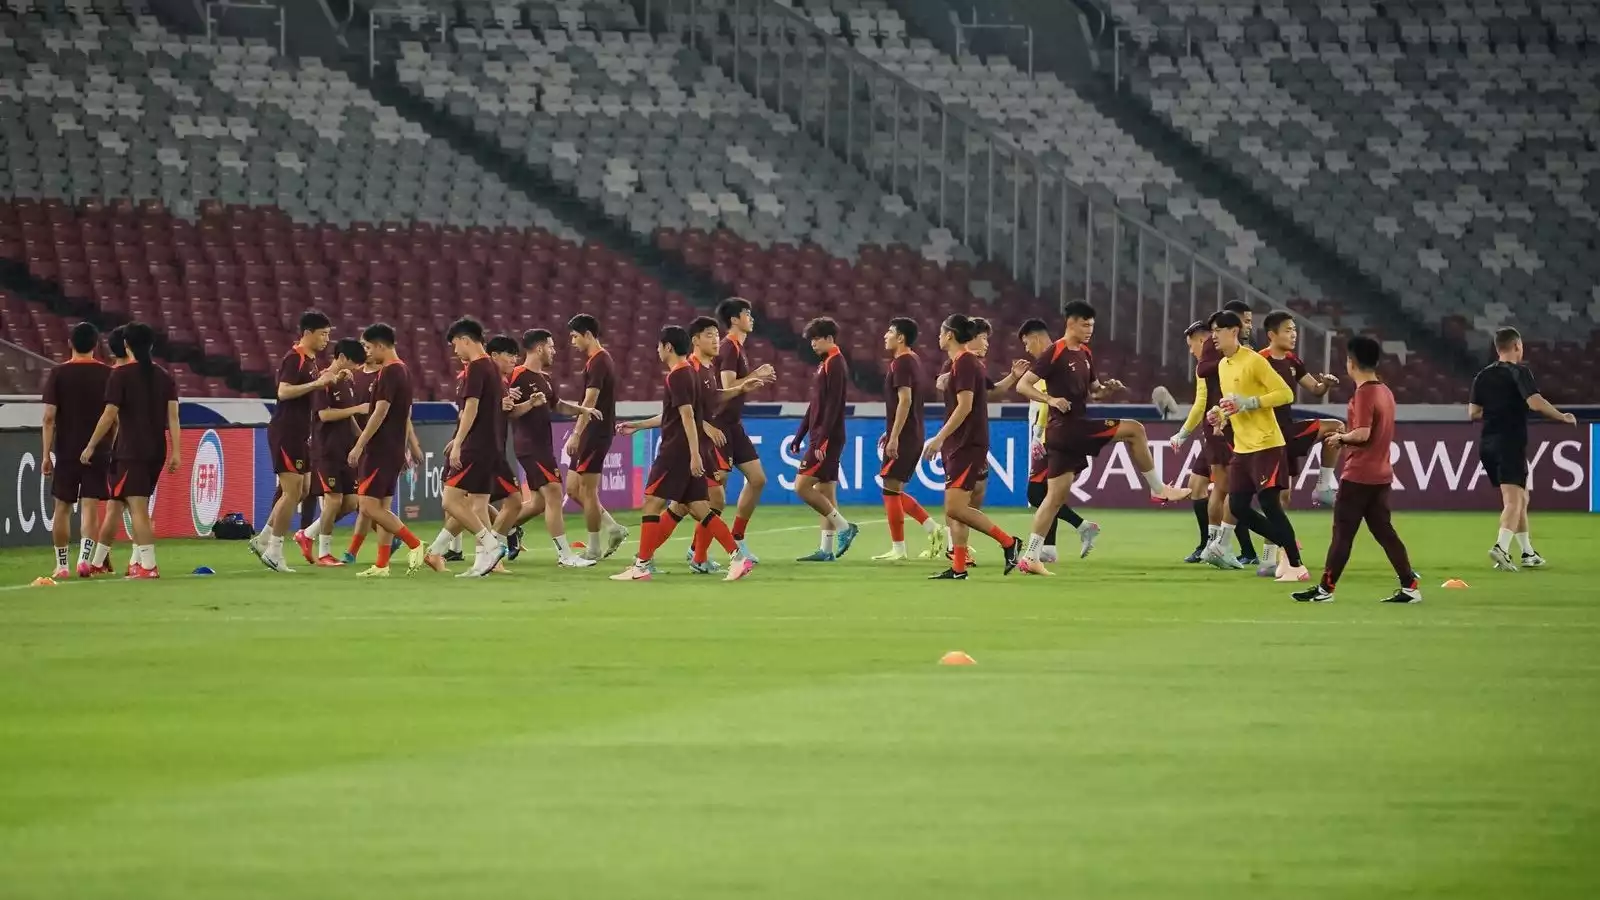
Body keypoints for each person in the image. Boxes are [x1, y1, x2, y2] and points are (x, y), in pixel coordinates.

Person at [1012, 303, 1188, 574]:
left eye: (1092, 326)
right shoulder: (1054, 351)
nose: (1089, 331)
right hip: (1069, 428)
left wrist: (1107, 390)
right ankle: (1157, 488)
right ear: (1070, 323)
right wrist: (1050, 399)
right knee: (1135, 429)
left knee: (1053, 498)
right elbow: (1022, 385)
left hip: (1065, 434)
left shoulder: (1085, 353)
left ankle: (1031, 557)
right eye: (1085, 325)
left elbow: (1093, 392)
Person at [611, 326, 753, 582]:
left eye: (658, 346)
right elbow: (678, 414)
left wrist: (694, 455)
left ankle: (641, 565)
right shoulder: (691, 374)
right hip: (688, 450)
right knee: (700, 508)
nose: (657, 350)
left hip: (676, 451)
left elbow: (688, 417)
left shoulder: (678, 375)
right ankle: (738, 558)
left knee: (652, 502)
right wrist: (639, 425)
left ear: (667, 347)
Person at [1293, 336, 1421, 603]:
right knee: (1385, 531)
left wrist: (1340, 438)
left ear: (1351, 363)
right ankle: (1410, 586)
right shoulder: (1385, 391)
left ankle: (1326, 590)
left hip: (1360, 474)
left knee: (1342, 533)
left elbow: (1362, 434)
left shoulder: (1364, 393)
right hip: (1381, 474)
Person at [1197, 310, 1308, 582]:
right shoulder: (1223, 365)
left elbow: (1285, 393)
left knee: (1270, 504)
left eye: (1217, 332)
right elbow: (1230, 404)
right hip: (1243, 447)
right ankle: (1288, 544)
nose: (1212, 338)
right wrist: (1219, 414)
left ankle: (1296, 565)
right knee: (1237, 507)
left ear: (1232, 332)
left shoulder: (1254, 361)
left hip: (1266, 444)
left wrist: (1250, 402)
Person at [921, 314, 1022, 579]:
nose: (938, 337)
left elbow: (965, 406)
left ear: (950, 335)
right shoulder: (962, 363)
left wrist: (939, 437)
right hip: (963, 443)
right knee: (958, 509)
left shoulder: (965, 364)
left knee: (956, 508)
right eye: (984, 337)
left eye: (941, 332)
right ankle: (958, 567)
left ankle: (1009, 542)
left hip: (965, 443)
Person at [1469, 326, 1577, 571]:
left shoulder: (1482, 376)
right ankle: (1501, 548)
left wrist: (1497, 408)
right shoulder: (1519, 372)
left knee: (1521, 497)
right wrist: (1562, 417)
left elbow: (1473, 412)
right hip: (1509, 442)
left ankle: (1528, 553)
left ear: (1498, 348)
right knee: (1513, 500)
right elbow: (1535, 403)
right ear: (1517, 346)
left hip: (1487, 444)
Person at [78, 322, 179, 579]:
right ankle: (100, 561)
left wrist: (91, 445)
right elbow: (174, 418)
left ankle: (148, 566)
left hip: (131, 450)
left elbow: (109, 414)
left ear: (126, 345)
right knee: (118, 503)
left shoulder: (120, 375)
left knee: (137, 508)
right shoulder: (164, 377)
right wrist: (177, 452)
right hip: (156, 450)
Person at [1170, 305, 1260, 568]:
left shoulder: (1237, 352)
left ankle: (1219, 545)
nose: (1248, 326)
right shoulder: (1218, 354)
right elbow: (1201, 399)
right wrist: (1184, 433)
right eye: (1244, 321)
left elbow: (1202, 400)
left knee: (1220, 489)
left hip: (1222, 426)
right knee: (1223, 488)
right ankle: (1217, 545)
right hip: (1219, 426)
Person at [502, 329, 600, 568]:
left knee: (538, 503)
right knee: (555, 493)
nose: (555, 351)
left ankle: (504, 528)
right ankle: (565, 555)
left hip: (543, 445)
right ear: (539, 348)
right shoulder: (517, 375)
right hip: (529, 445)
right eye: (551, 347)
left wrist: (582, 410)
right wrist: (527, 402)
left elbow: (558, 405)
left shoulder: (545, 378)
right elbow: (509, 412)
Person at [1257, 310, 1343, 576]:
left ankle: (1323, 486)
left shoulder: (1293, 360)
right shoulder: (1259, 361)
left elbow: (1314, 389)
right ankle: (1269, 560)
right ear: (1272, 334)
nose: (1293, 334)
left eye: (1295, 329)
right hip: (1269, 435)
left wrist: (1325, 385)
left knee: (1336, 429)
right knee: (1279, 498)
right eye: (1287, 330)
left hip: (1288, 431)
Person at [253, 311, 336, 573]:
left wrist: (330, 376)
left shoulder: (311, 360)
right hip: (286, 431)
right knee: (291, 491)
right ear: (308, 332)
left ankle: (264, 538)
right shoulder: (294, 358)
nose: (326, 339)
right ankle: (274, 551)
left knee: (302, 489)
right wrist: (316, 384)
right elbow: (283, 391)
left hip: (301, 432)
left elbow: (312, 384)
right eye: (323, 333)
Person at [346, 323, 428, 577]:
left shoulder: (389, 372)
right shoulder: (403, 370)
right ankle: (382, 564)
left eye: (368, 347)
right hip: (392, 447)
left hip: (380, 448)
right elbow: (405, 414)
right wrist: (405, 446)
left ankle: (415, 544)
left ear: (381, 346)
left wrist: (359, 445)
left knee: (368, 507)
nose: (366, 353)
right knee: (381, 506)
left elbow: (380, 411)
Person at [1017, 318, 1100, 562]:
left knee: (1037, 493)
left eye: (1026, 343)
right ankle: (1049, 548)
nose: (1026, 349)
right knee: (1044, 492)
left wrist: (1038, 436)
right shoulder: (1054, 358)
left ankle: (1081, 527)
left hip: (1051, 437)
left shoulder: (1052, 359)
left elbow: (1048, 403)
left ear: (1036, 338)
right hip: (1050, 435)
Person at [870, 317, 946, 562]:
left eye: (889, 331)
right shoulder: (911, 360)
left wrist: (894, 437)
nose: (885, 335)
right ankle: (932, 529)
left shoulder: (902, 362)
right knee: (892, 489)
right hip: (909, 432)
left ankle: (900, 549)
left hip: (905, 436)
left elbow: (905, 400)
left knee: (890, 490)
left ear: (900, 337)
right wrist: (890, 430)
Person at [41, 321, 112, 579]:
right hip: (98, 449)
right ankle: (85, 559)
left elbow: (49, 417)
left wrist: (46, 454)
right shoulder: (107, 374)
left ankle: (62, 565)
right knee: (90, 507)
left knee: (61, 507)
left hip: (67, 450)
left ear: (70, 343)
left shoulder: (58, 373)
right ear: (95, 345)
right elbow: (113, 416)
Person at [294, 338, 369, 567]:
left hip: (345, 450)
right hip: (326, 450)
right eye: (355, 363)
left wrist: (362, 440)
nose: (357, 368)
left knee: (352, 501)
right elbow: (324, 415)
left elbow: (348, 416)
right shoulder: (324, 380)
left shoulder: (346, 381)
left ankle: (307, 534)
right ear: (343, 358)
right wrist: (356, 409)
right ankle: (324, 552)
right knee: (334, 500)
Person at [713, 298, 778, 559]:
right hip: (719, 424)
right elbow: (728, 387)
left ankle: (737, 538)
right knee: (716, 491)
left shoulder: (739, 348)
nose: (751, 318)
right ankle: (698, 549)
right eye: (746, 314)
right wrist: (757, 374)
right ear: (734, 320)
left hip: (733, 425)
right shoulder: (728, 347)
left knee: (758, 479)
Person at [791, 317, 860, 561]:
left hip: (827, 436)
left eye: (816, 339)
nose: (812, 344)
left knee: (802, 486)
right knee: (826, 491)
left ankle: (844, 527)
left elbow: (833, 406)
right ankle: (826, 550)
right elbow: (816, 405)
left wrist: (821, 440)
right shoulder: (825, 363)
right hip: (821, 434)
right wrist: (800, 434)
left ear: (829, 339)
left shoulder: (836, 364)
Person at [563, 314, 629, 560]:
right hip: (590, 430)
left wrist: (576, 433)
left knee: (588, 491)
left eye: (574, 336)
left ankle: (593, 549)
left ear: (588, 335)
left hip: (595, 432)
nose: (572, 342)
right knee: (572, 488)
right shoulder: (594, 361)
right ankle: (613, 528)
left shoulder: (600, 361)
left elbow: (590, 401)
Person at [86, 326, 128, 575]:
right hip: (130, 448)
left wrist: (94, 445)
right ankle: (105, 559)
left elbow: (110, 416)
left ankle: (102, 558)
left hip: (116, 448)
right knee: (126, 505)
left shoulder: (113, 376)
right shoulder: (141, 375)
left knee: (120, 504)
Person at [341, 352, 385, 564]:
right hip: (353, 444)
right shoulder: (353, 376)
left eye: (368, 347)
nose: (366, 351)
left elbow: (401, 416)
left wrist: (410, 445)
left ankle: (353, 551)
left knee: (368, 502)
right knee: (364, 502)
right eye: (363, 347)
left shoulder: (386, 377)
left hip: (375, 446)